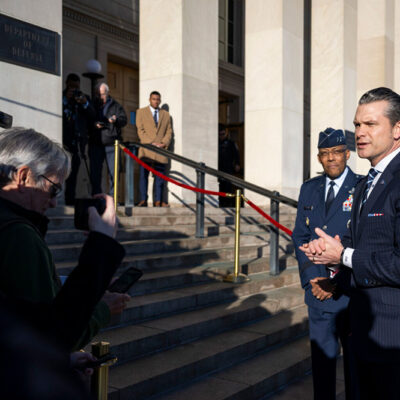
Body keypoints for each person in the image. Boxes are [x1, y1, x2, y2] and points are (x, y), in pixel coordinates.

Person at [300, 87, 400, 400]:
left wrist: (342, 256)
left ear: (398, 129)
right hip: (364, 335)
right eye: (357, 125)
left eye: (371, 124)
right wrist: (332, 263)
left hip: (391, 344)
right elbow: (366, 247)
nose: (360, 132)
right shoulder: (370, 182)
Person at [0, 127, 130, 351]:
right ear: (22, 176)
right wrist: (102, 243)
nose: (52, 203)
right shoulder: (18, 235)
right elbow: (50, 337)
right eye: (53, 189)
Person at [292, 128, 362, 400]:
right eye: (324, 154)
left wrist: (336, 281)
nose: (331, 158)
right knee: (322, 368)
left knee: (356, 368)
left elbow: (363, 239)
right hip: (318, 292)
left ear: (347, 154)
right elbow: (300, 235)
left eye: (336, 153)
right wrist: (313, 278)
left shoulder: (362, 186)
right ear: (319, 158)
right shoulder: (309, 189)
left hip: (350, 291)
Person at [89, 82, 127, 196]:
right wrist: (94, 124)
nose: (100, 97)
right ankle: (97, 196)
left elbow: (124, 120)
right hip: (96, 142)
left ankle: (113, 198)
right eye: (98, 94)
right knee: (95, 173)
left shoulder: (116, 105)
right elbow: (87, 120)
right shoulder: (92, 104)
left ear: (107, 93)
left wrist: (115, 120)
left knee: (114, 172)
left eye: (102, 94)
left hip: (111, 144)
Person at [62, 73, 95, 205]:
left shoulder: (84, 97)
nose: (74, 89)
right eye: (72, 86)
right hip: (63, 139)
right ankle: (58, 198)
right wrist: (66, 99)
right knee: (61, 170)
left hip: (78, 141)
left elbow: (92, 114)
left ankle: (70, 199)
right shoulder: (61, 96)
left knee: (74, 171)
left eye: (76, 86)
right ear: (66, 84)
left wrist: (85, 103)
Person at [136, 91, 172, 207]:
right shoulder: (141, 112)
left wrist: (163, 143)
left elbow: (169, 131)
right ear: (149, 100)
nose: (156, 101)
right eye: (153, 99)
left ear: (160, 101)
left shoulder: (166, 115)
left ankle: (157, 201)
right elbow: (140, 130)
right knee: (143, 176)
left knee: (160, 177)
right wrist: (151, 142)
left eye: (157, 99)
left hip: (160, 151)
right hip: (146, 149)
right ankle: (143, 200)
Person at [218, 123, 240, 207]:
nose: (221, 136)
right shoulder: (217, 143)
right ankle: (222, 203)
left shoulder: (231, 143)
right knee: (221, 186)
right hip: (219, 168)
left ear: (226, 134)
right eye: (220, 134)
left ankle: (228, 203)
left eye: (223, 134)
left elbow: (236, 154)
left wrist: (237, 164)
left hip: (228, 168)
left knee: (228, 187)